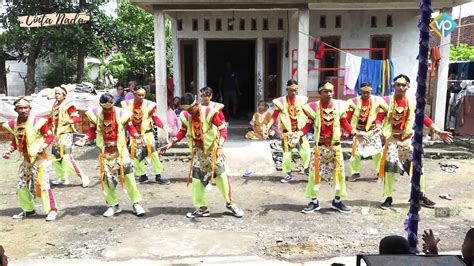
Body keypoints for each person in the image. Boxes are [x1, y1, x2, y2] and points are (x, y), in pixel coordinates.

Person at [161, 93, 244, 218]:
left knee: (222, 177)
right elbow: (183, 131)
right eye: (185, 110)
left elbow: (223, 129)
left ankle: (230, 203)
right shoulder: (186, 115)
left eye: (189, 109)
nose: (188, 112)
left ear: (195, 104)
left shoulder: (209, 113)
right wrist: (171, 143)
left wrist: (220, 146)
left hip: (213, 150)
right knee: (196, 180)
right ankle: (202, 208)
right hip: (198, 152)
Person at [378, 75, 454, 210]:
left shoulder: (412, 102)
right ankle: (388, 198)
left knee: (419, 169)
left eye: (404, 85)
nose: (401, 87)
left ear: (408, 87)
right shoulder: (387, 102)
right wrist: (379, 129)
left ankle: (420, 195)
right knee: (390, 170)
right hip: (392, 142)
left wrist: (438, 131)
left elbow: (424, 118)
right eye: (398, 85)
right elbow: (379, 118)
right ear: (393, 86)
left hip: (408, 142)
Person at [75, 93, 146, 217]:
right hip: (105, 151)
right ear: (101, 106)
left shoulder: (122, 114)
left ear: (113, 104)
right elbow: (92, 130)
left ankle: (136, 203)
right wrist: (85, 138)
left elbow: (130, 128)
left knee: (128, 177)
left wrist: (136, 135)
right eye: (105, 108)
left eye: (110, 108)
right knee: (107, 179)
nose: (108, 110)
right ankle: (114, 205)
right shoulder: (95, 114)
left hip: (121, 150)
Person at [300, 80, 357, 214]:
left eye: (331, 91)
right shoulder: (313, 108)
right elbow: (308, 126)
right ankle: (314, 201)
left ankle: (337, 201)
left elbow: (344, 123)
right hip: (319, 147)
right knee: (314, 174)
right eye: (326, 91)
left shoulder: (339, 107)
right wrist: (298, 134)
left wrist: (354, 132)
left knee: (339, 174)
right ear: (320, 92)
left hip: (335, 147)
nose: (329, 94)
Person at [2, 98, 58, 221]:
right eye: (20, 108)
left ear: (30, 109)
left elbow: (49, 136)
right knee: (21, 185)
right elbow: (16, 141)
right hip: (26, 160)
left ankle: (52, 210)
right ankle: (29, 210)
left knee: (42, 184)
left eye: (25, 108)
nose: (23, 110)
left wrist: (43, 146)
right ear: (16, 110)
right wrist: (9, 151)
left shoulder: (38, 122)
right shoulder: (14, 124)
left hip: (39, 159)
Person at [121, 87, 171, 185]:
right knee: (136, 155)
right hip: (134, 134)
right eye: (139, 95)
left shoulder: (149, 105)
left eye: (143, 95)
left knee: (154, 154)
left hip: (147, 134)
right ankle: (142, 175)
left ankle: (158, 175)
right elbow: (124, 119)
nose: (141, 97)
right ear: (134, 94)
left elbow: (155, 118)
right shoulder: (126, 105)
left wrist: (163, 126)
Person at [266, 79, 310, 183]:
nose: (293, 92)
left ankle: (307, 168)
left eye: (295, 90)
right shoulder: (281, 102)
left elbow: (308, 112)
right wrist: (268, 126)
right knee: (286, 155)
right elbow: (274, 116)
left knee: (306, 151)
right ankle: (288, 174)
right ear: (287, 90)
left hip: (299, 132)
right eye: (291, 90)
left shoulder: (301, 100)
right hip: (287, 132)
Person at [344, 82, 387, 182]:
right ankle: (355, 173)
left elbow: (381, 115)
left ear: (371, 91)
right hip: (359, 133)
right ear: (360, 91)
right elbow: (347, 117)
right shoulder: (353, 102)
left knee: (377, 154)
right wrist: (348, 129)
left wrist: (378, 125)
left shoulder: (377, 101)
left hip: (373, 131)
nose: (366, 94)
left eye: (368, 92)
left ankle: (379, 173)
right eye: (364, 92)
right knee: (355, 154)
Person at [49, 86, 90, 187]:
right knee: (56, 157)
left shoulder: (69, 105)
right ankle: (62, 178)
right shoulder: (55, 105)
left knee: (67, 158)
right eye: (56, 93)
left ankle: (83, 176)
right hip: (57, 135)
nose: (57, 95)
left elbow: (76, 117)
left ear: (64, 95)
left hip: (66, 134)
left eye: (59, 93)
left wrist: (69, 121)